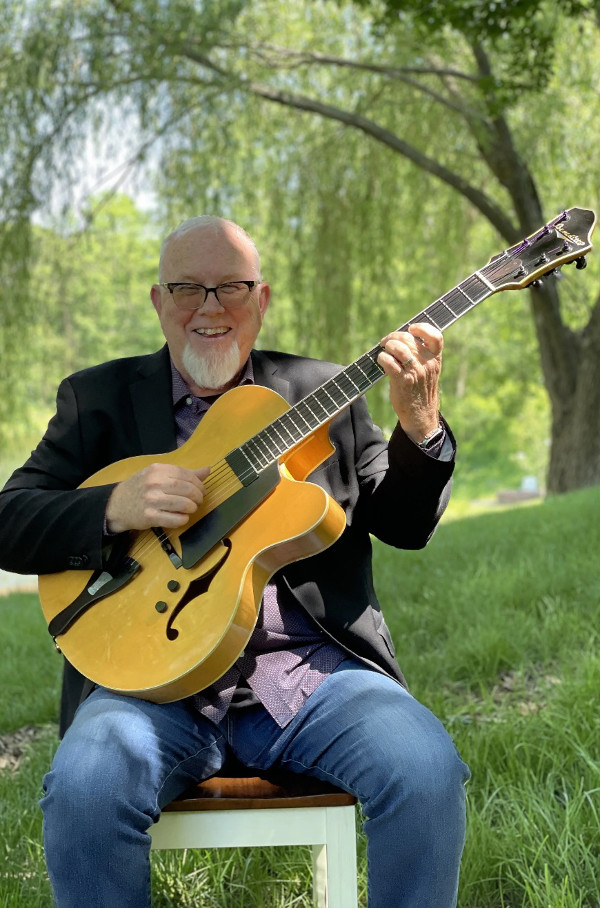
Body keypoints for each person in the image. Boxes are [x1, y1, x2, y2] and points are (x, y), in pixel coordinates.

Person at [0, 216, 470, 907]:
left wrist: (421, 430)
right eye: (188, 288)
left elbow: (403, 524)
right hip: (152, 688)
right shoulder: (98, 400)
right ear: (158, 301)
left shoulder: (323, 391)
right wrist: (112, 506)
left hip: (312, 679)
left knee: (426, 772)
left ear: (262, 298)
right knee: (86, 787)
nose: (210, 308)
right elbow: (11, 521)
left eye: (231, 288)